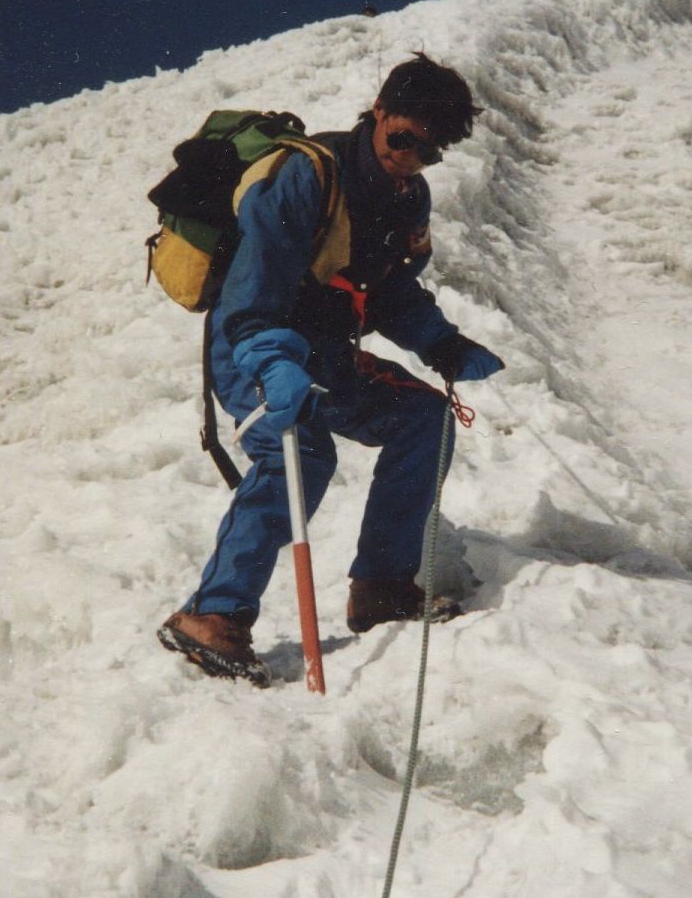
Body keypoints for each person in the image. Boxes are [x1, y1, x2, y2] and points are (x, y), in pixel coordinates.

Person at [158, 53, 504, 687]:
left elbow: (391, 291)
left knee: (423, 420)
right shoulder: (305, 175)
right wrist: (269, 358)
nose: (411, 158)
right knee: (300, 453)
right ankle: (211, 615)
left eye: (428, 152)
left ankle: (381, 585)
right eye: (403, 139)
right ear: (378, 113)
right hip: (252, 344)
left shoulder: (407, 198)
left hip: (327, 351)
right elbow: (252, 288)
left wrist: (442, 344)